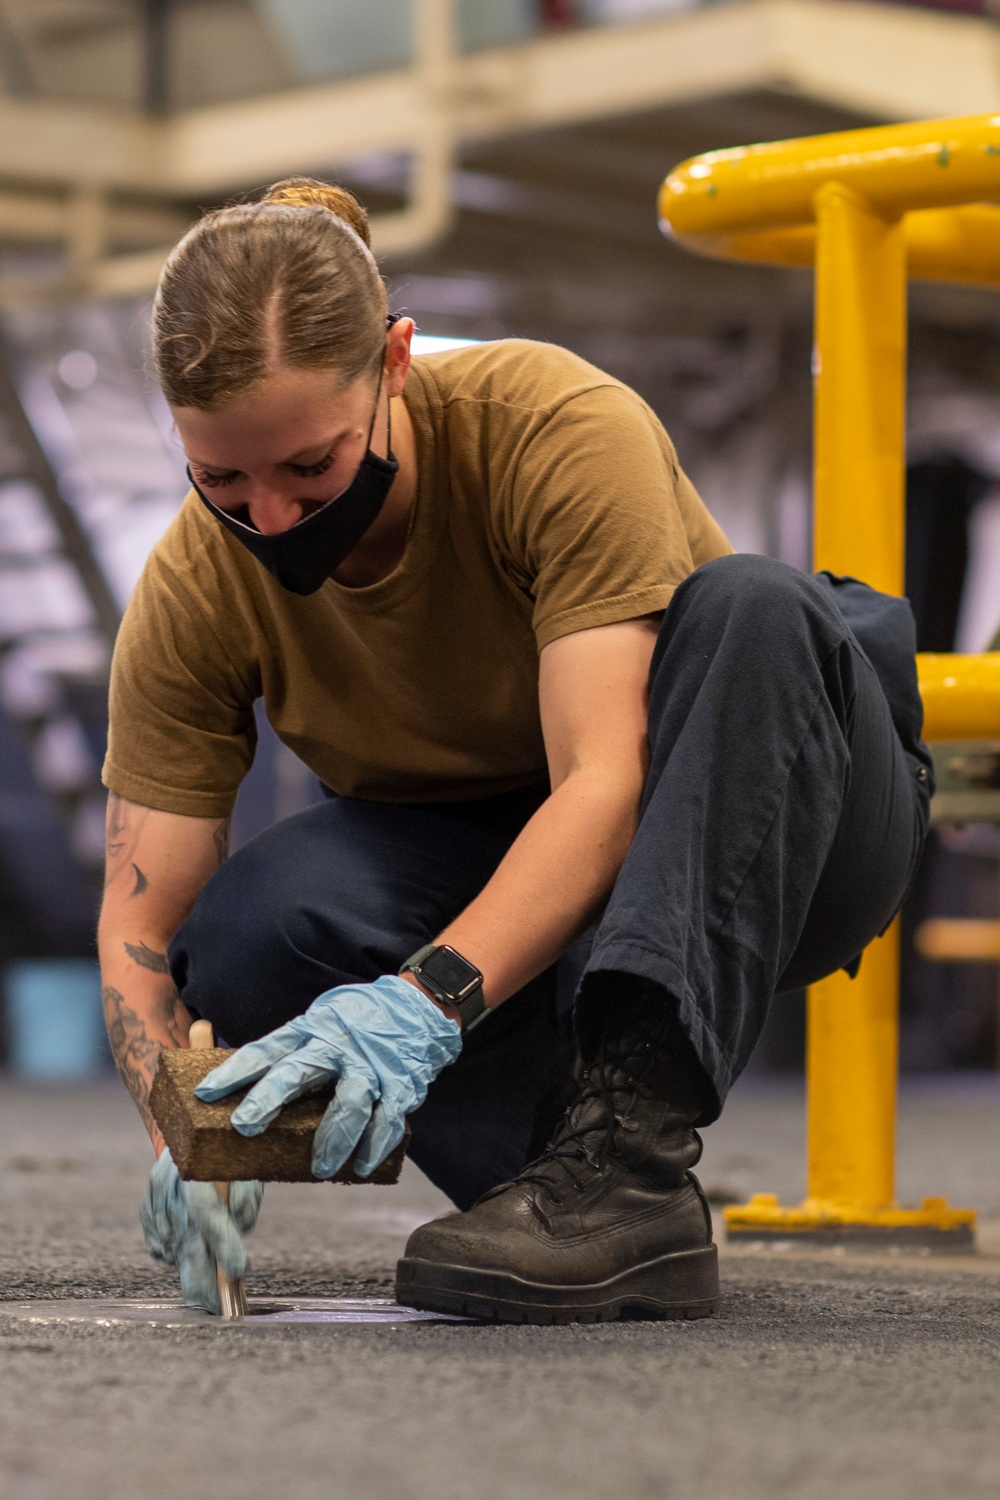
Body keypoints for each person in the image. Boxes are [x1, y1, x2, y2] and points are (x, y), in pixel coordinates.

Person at [98, 178, 932, 1323]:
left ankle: (625, 1153)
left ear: (394, 362)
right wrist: (186, 1129)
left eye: (309, 468)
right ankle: (570, 1185)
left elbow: (607, 780)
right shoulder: (195, 581)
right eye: (223, 478)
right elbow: (144, 924)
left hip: (765, 817)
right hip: (511, 862)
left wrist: (421, 1001)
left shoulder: (547, 422)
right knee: (254, 926)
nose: (271, 519)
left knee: (755, 605)